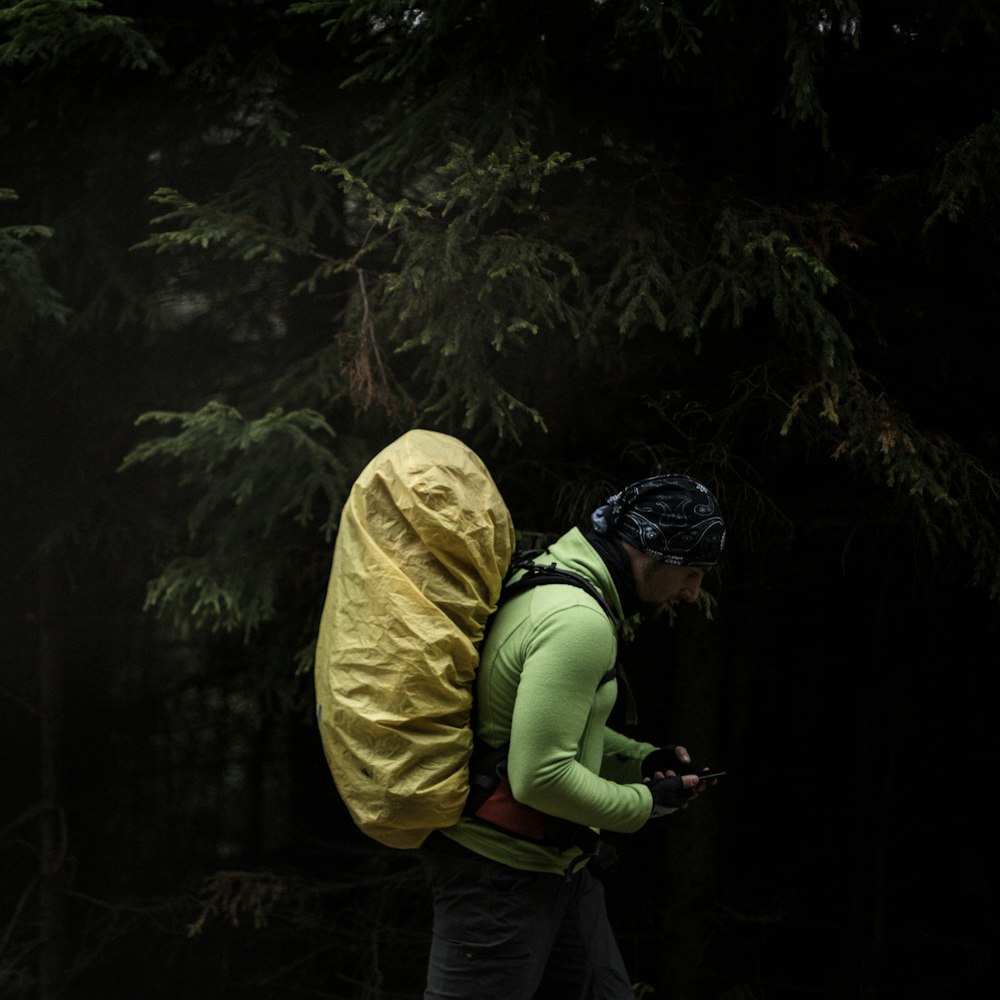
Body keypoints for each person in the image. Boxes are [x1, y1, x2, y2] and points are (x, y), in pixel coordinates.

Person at [419, 474, 727, 1000]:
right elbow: (539, 777)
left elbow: (545, 733)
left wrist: (639, 759)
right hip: (500, 881)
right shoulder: (578, 621)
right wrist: (645, 803)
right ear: (647, 551)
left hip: (557, 872)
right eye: (691, 572)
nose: (694, 593)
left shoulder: (551, 578)